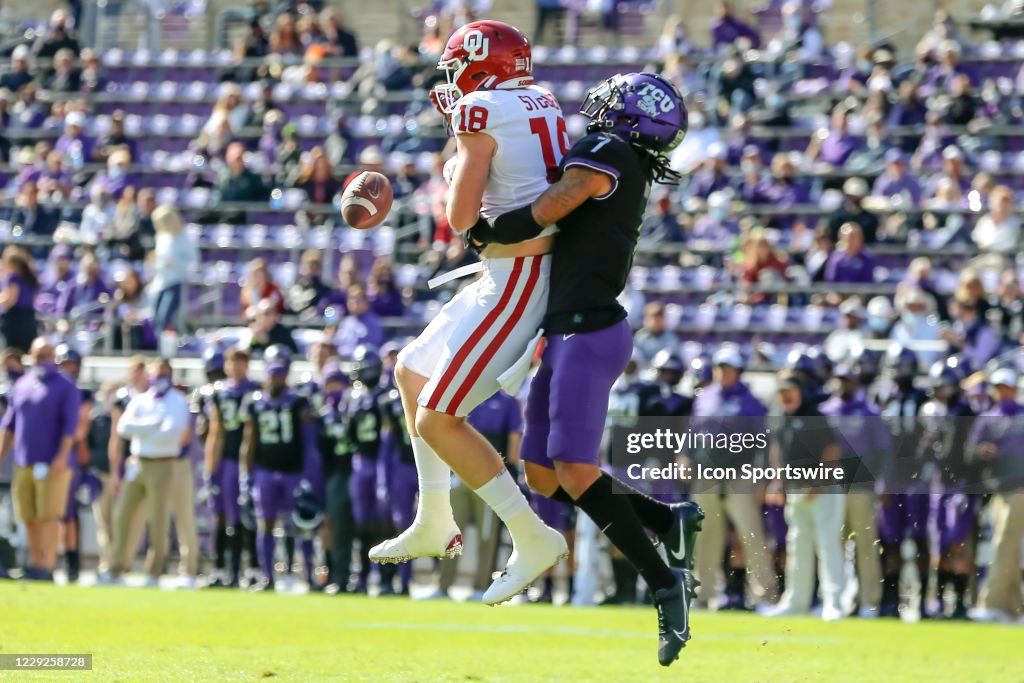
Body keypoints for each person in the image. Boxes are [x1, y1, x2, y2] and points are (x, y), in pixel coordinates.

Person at [466, 72, 701, 666]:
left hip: (589, 329)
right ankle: (665, 517)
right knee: (544, 476)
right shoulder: (624, 156)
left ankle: (663, 582)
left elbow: (550, 207)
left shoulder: (609, 151)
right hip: (570, 329)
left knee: (574, 469)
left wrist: (484, 230)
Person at [368, 21, 571, 607]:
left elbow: (459, 218)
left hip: (518, 277)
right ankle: (434, 517)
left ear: (481, 65)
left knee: (437, 417)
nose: (453, 79)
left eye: (458, 65)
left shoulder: (478, 108)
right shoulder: (537, 98)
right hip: (509, 271)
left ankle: (532, 535)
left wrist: (455, 150)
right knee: (410, 370)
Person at [691, 345, 776, 610]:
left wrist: (762, 478)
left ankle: (765, 594)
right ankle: (702, 593)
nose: (723, 373)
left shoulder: (750, 401)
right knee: (704, 536)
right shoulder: (704, 397)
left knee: (750, 535)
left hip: (740, 476)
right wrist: (684, 457)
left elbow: (763, 441)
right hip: (706, 476)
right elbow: (693, 432)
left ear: (738, 371)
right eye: (719, 367)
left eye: (728, 368)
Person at [760, 372, 844, 620]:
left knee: (827, 544)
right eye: (781, 392)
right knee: (798, 546)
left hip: (822, 490)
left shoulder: (815, 415)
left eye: (790, 391)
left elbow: (831, 450)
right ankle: (796, 601)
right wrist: (777, 481)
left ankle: (834, 602)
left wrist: (818, 483)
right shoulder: (780, 418)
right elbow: (777, 450)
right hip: (796, 490)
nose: (785, 396)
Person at [239, 345, 319, 592]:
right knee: (265, 523)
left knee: (299, 524)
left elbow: (308, 442)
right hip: (265, 471)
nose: (276, 378)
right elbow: (249, 441)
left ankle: (307, 575)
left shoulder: (298, 403)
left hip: (293, 471)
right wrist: (247, 474)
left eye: (280, 374)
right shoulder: (254, 402)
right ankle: (267, 576)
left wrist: (308, 474)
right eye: (272, 373)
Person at [105, 358, 191, 586]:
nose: (160, 376)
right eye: (156, 371)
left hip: (163, 463)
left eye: (164, 371)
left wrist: (143, 428)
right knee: (122, 514)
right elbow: (124, 428)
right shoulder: (141, 399)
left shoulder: (178, 401)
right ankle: (116, 568)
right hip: (137, 462)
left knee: (158, 520)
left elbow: (171, 433)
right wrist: (154, 424)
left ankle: (154, 572)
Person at [0, 339, 81, 580]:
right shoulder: (22, 384)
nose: (43, 359)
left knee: (49, 516)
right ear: (30, 356)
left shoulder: (66, 386)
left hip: (53, 463)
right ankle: (36, 564)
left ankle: (47, 566)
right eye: (39, 355)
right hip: (24, 462)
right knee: (30, 518)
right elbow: (9, 425)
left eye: (47, 354)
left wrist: (62, 457)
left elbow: (70, 427)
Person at [436, 390, 524, 601]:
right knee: (452, 532)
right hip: (461, 474)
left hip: (489, 478)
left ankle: (479, 586)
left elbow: (513, 448)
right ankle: (443, 586)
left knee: (486, 535)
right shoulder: (466, 396)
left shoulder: (507, 402)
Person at [819, 364, 889, 617]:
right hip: (830, 487)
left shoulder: (869, 413)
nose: (842, 385)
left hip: (860, 486)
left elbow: (883, 451)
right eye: (839, 380)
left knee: (865, 545)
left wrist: (883, 483)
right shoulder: (824, 411)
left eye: (847, 380)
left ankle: (869, 601)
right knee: (831, 545)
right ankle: (831, 600)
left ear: (855, 383)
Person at [920, 360, 977, 619]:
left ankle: (961, 601)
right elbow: (924, 451)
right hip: (938, 482)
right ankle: (940, 599)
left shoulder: (966, 412)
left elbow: (972, 452)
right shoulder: (932, 411)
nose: (939, 391)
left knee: (958, 542)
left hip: (961, 482)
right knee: (939, 544)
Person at [876, 345, 930, 618]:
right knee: (890, 541)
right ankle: (890, 599)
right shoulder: (884, 399)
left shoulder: (922, 398)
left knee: (919, 540)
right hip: (891, 478)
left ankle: (922, 602)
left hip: (917, 478)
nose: (898, 373)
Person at [202, 347, 259, 588]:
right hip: (225, 460)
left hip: (249, 461)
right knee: (221, 516)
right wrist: (209, 468)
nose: (235, 367)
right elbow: (215, 432)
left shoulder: (255, 391)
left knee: (245, 517)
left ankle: (246, 569)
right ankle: (219, 568)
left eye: (240, 362)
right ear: (225, 366)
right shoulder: (219, 393)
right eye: (231, 363)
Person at [55, 344, 94, 584]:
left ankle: (72, 563)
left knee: (68, 513)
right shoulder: (52, 389)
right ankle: (55, 559)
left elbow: (79, 431)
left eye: (72, 364)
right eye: (64, 364)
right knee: (54, 514)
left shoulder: (82, 393)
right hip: (52, 454)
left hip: (70, 456)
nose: (68, 369)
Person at [318, 362, 356, 593]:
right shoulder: (324, 416)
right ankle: (337, 575)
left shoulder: (357, 408)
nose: (335, 389)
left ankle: (363, 577)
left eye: (338, 384)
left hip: (357, 472)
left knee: (366, 526)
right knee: (336, 528)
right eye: (330, 385)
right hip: (334, 475)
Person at [150, 204, 196, 334]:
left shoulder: (184, 237)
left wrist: (175, 263)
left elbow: (192, 260)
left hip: (176, 281)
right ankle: (158, 347)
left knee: (165, 317)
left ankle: (164, 349)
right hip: (161, 282)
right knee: (155, 318)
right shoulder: (162, 237)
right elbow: (159, 258)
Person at [0, 246, 39, 351]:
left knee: (14, 354)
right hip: (30, 319)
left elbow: (10, 300)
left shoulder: (13, 277)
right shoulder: (29, 277)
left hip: (15, 321)